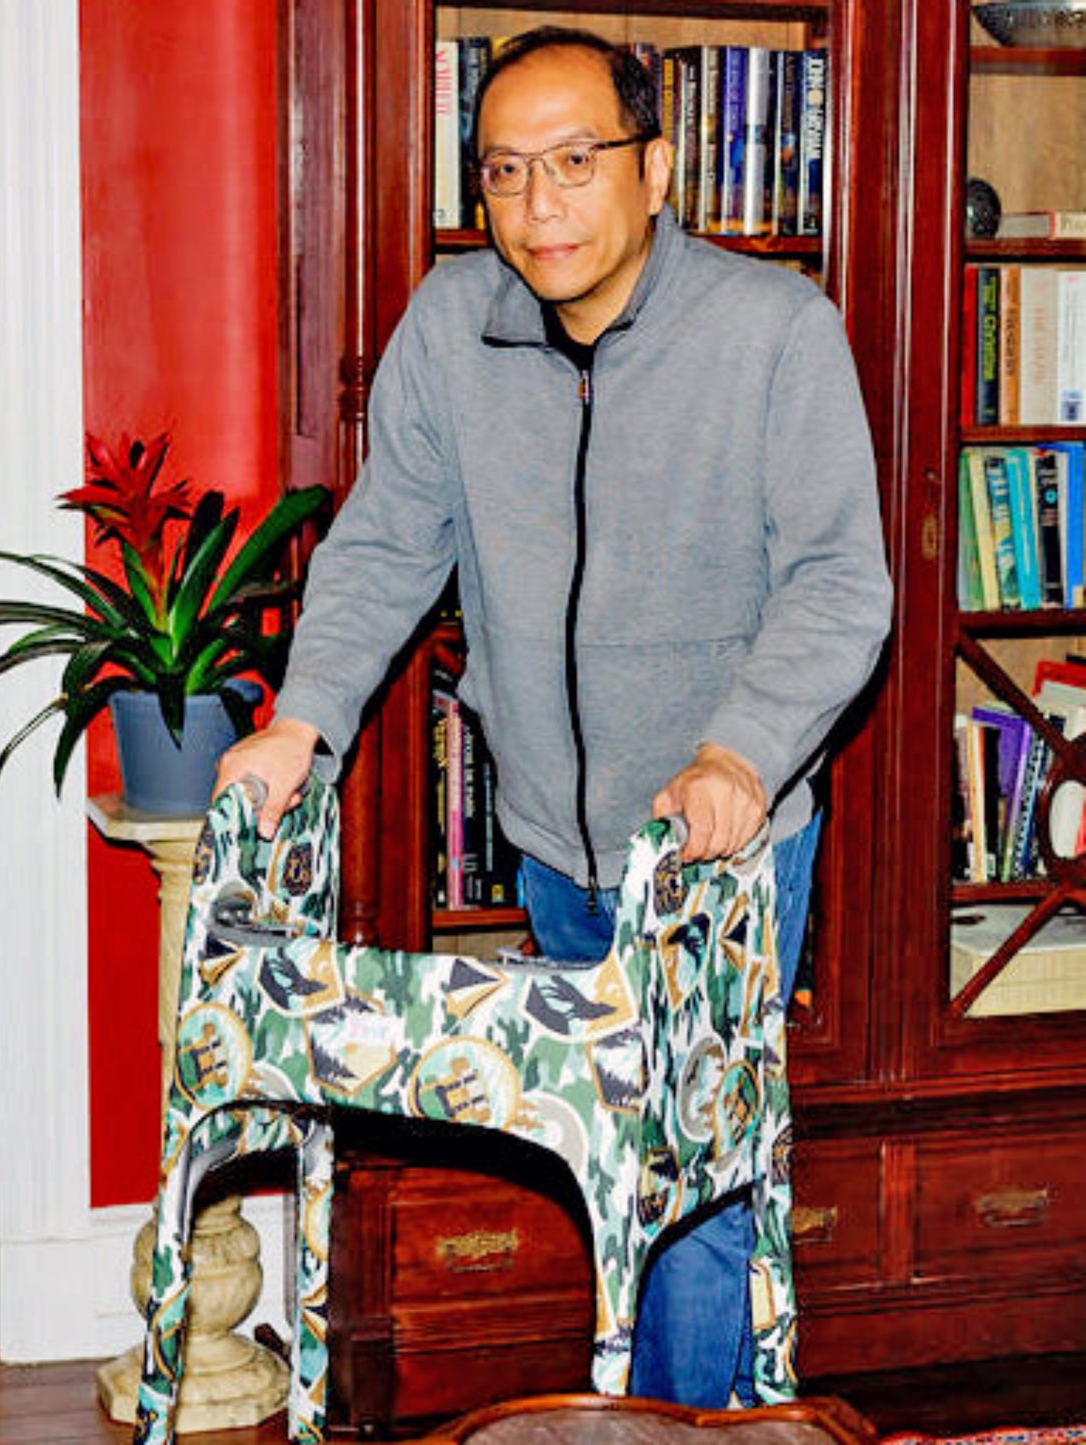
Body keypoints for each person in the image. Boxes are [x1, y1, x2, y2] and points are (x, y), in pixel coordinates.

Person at [217, 25, 891, 1407]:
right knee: (617, 1175)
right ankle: (675, 1426)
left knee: (692, 1194)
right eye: (506, 171)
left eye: (575, 163)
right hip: (549, 844)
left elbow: (838, 582)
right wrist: (303, 720)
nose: (539, 207)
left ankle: (686, 1436)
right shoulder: (448, 330)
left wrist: (737, 754)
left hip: (717, 850)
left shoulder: (773, 331)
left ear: (655, 168)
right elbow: (381, 547)